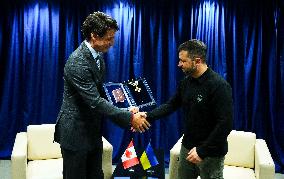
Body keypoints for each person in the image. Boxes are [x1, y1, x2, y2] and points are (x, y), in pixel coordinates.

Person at [54, 11, 150, 179]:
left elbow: (101, 93)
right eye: (108, 38)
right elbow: (96, 102)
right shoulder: (78, 62)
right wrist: (129, 118)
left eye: (113, 38)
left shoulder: (97, 56)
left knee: (96, 175)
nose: (112, 43)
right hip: (75, 133)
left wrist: (127, 108)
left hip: (92, 131)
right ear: (94, 36)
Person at [145, 39, 233, 179]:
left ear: (197, 61)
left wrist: (202, 151)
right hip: (187, 147)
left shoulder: (219, 86)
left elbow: (225, 124)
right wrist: (147, 116)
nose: (179, 64)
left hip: (211, 153)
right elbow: (171, 105)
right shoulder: (186, 82)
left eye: (183, 61)